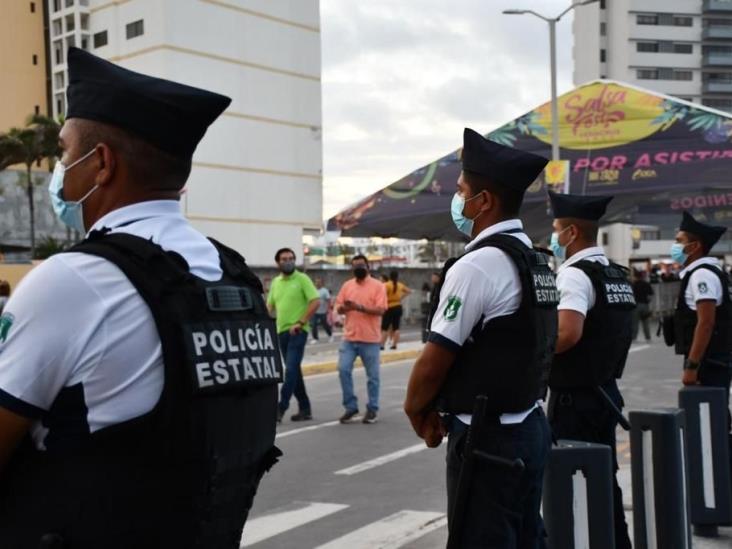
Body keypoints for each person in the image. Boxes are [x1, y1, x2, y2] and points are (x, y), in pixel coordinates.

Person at [0, 47, 282, 548]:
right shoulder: (232, 279)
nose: (60, 171)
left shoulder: (75, 281)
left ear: (101, 164)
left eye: (65, 155)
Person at [405, 128, 556, 547]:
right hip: (529, 426)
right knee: (527, 536)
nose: (457, 201)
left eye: (461, 191)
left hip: (489, 441)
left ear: (483, 201)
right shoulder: (535, 260)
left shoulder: (478, 266)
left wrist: (418, 413)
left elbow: (436, 360)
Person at [546, 191, 635, 549]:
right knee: (603, 479)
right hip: (604, 392)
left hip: (575, 398)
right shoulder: (613, 274)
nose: (553, 238)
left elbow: (567, 333)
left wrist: (531, 352)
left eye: (555, 230)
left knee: (574, 484)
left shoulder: (574, 276)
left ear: (570, 232)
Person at [670, 211, 731, 480]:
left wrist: (692, 366)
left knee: (712, 426)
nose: (675, 245)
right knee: (715, 422)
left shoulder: (701, 276)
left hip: (710, 363)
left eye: (679, 239)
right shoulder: (706, 271)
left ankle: (717, 488)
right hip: (716, 360)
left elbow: (705, 323)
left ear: (694, 246)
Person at [267, 248, 319, 422]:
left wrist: (301, 322)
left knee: (289, 370)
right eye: (284, 259)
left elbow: (315, 301)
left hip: (297, 331)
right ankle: (305, 409)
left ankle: (280, 408)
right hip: (281, 332)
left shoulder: (302, 279)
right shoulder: (275, 282)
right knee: (294, 370)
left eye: (291, 258)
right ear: (278, 262)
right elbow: (269, 307)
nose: (288, 261)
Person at [335, 255, 387, 424]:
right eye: (355, 265)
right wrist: (344, 308)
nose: (358, 268)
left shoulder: (378, 286)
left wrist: (359, 307)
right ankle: (351, 407)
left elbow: (381, 310)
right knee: (343, 370)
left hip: (370, 339)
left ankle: (372, 408)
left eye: (361, 265)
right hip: (349, 337)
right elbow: (338, 308)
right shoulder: (347, 286)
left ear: (368, 267)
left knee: (373, 377)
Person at [381, 270, 411, 350]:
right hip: (398, 306)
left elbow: (381, 294)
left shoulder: (386, 285)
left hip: (389, 306)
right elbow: (409, 291)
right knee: (396, 327)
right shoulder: (400, 285)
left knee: (385, 327)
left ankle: (382, 345)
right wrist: (401, 297)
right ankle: (394, 345)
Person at [632, 269, 654, 342]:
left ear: (636, 277)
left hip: (635, 306)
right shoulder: (646, 284)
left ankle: (634, 338)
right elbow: (650, 296)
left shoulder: (633, 285)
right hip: (645, 305)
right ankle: (648, 338)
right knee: (646, 323)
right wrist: (648, 302)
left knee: (635, 323)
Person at [310, 277, 333, 344]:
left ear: (322, 283)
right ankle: (315, 338)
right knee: (313, 324)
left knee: (325, 324)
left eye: (319, 282)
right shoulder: (312, 290)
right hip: (314, 311)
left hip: (323, 311)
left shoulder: (325, 291)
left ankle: (330, 335)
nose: (317, 283)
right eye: (316, 282)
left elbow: (328, 300)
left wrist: (328, 309)